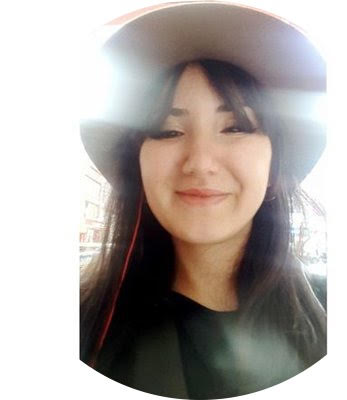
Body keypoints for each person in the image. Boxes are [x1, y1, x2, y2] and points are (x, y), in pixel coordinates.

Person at [80, 2, 327, 399]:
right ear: (138, 164)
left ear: (275, 167)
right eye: (168, 131)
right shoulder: (80, 324)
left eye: (235, 127)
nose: (200, 162)